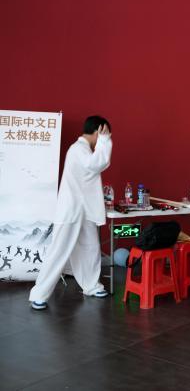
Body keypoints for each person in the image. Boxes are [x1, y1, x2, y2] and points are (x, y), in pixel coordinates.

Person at [29, 116, 113, 310]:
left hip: (84, 210)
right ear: (99, 131)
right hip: (71, 210)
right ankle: (39, 294)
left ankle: (91, 285)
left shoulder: (85, 150)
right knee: (58, 251)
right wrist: (105, 141)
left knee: (90, 248)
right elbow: (96, 164)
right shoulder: (77, 149)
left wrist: (103, 142)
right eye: (105, 133)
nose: (107, 137)